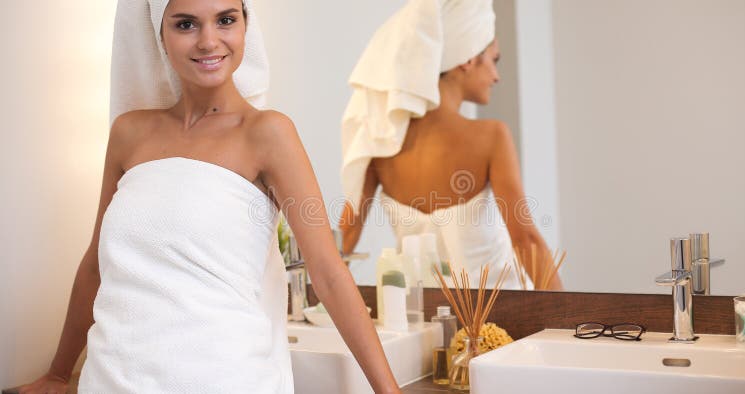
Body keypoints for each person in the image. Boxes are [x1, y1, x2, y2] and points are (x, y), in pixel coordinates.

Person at [18, 0, 400, 393]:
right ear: (160, 36)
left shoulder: (268, 134)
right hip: (113, 380)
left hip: (224, 379)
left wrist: (388, 390)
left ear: (245, 28)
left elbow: (328, 273)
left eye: (226, 20)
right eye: (186, 24)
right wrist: (59, 374)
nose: (209, 40)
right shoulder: (129, 134)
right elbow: (97, 266)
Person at [338, 0, 563, 290]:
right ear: (468, 59)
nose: (497, 76)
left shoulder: (380, 140)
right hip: (500, 321)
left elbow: (346, 234)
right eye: (494, 60)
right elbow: (526, 240)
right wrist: (565, 324)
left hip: (422, 319)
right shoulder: (491, 136)